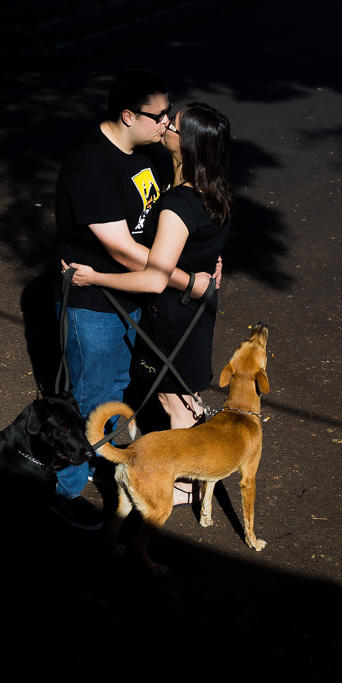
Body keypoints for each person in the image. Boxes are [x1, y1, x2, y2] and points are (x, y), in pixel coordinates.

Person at [50, 69, 212, 527]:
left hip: (135, 296)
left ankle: (109, 469)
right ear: (127, 114)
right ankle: (67, 493)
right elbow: (121, 247)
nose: (167, 123)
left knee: (122, 391)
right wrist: (186, 280)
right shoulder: (91, 166)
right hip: (94, 306)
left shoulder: (146, 156)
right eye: (159, 115)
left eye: (167, 113)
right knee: (92, 400)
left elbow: (162, 225)